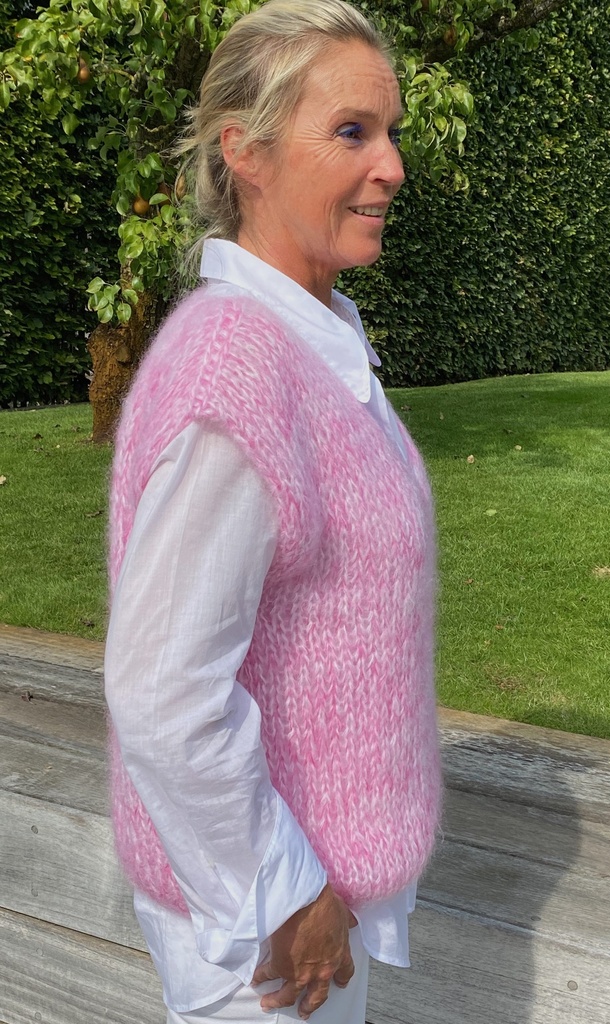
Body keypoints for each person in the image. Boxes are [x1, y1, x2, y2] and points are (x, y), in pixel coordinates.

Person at [103, 2, 442, 1022]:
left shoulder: (311, 343)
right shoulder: (238, 368)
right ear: (243, 153)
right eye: (350, 131)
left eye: (389, 133)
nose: (390, 167)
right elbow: (162, 690)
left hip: (299, 910)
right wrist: (286, 890)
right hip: (262, 940)